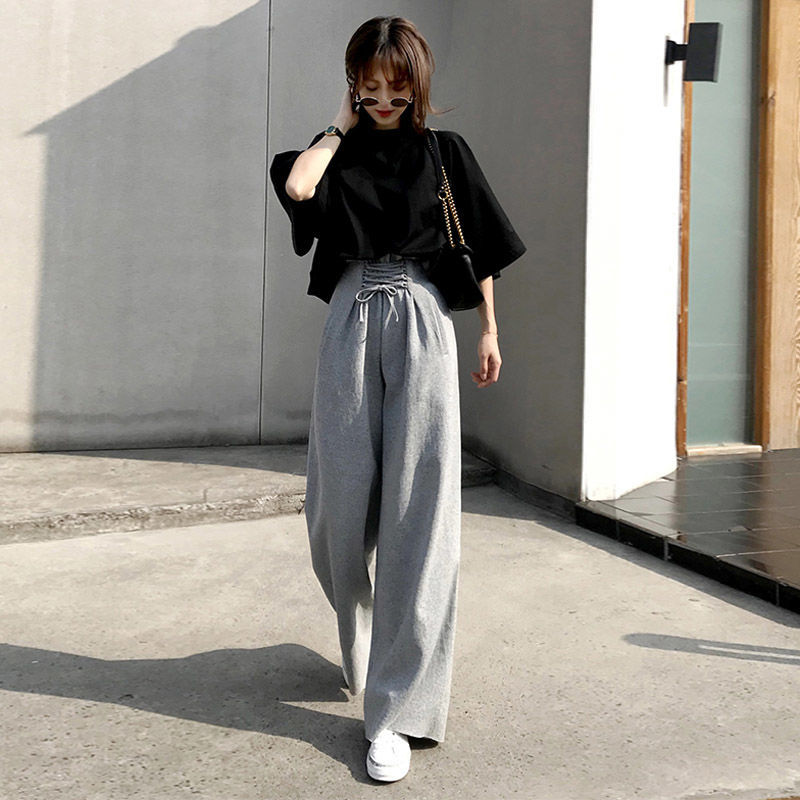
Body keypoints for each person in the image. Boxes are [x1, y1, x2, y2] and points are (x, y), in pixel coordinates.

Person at [269, 16, 526, 783]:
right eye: (369, 86)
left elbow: (481, 247)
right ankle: (359, 630)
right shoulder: (332, 153)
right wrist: (337, 124)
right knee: (336, 509)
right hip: (350, 318)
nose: (384, 99)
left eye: (397, 85)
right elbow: (298, 188)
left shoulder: (446, 154)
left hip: (422, 318)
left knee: (421, 513)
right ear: (354, 85)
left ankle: (398, 713)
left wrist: (489, 330)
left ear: (419, 83)